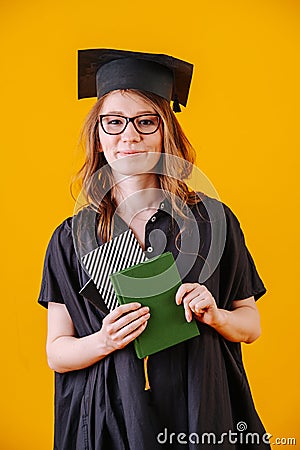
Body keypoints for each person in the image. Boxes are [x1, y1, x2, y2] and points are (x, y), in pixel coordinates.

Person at [38, 49, 270, 450]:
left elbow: (250, 324)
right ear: (98, 134)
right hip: (112, 415)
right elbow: (58, 352)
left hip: (200, 409)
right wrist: (105, 340)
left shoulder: (212, 221)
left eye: (146, 121)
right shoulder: (70, 238)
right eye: (113, 123)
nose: (129, 136)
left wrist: (215, 315)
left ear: (166, 130)